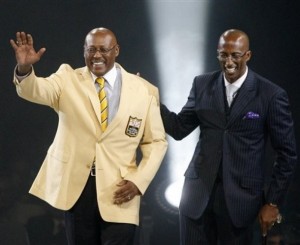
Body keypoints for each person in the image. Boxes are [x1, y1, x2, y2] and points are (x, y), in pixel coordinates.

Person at [10, 27, 167, 245]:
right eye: (91, 49)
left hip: (121, 190)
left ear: (117, 50)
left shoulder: (144, 90)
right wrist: (25, 68)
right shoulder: (67, 78)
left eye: (104, 49)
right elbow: (35, 90)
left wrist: (139, 181)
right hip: (77, 189)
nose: (96, 55)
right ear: (84, 50)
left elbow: (156, 142)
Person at [160, 29, 297, 244]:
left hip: (241, 204)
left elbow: (287, 154)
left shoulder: (270, 94)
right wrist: (150, 100)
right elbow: (178, 129)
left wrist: (273, 203)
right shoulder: (202, 84)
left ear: (248, 55)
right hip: (196, 198)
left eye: (235, 55)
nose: (229, 61)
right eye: (223, 55)